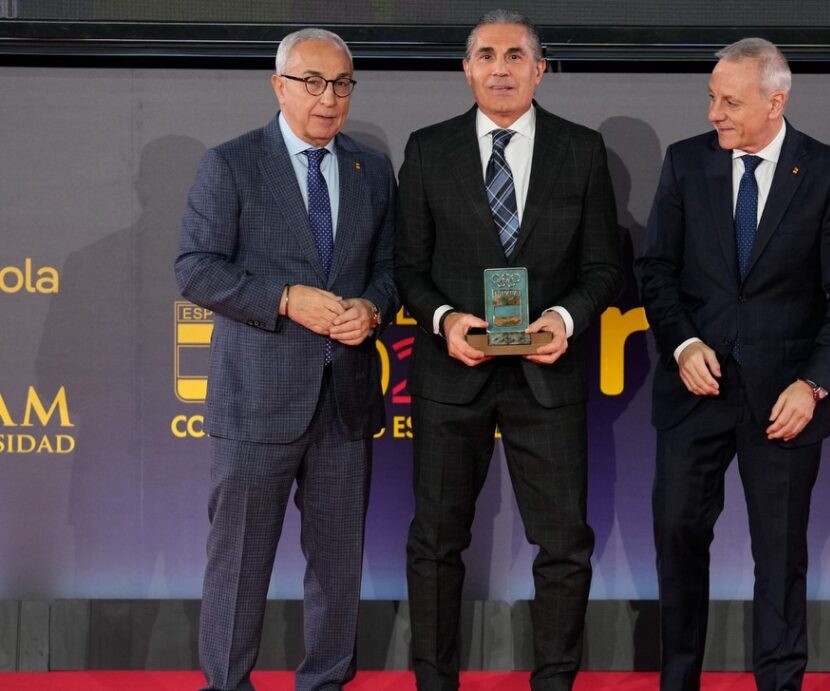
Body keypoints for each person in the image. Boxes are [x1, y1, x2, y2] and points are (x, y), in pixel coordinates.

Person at [395, 9, 622, 691]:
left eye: (515, 55)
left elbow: (603, 268)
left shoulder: (580, 150)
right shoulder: (428, 149)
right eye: (487, 56)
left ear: (540, 69)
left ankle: (554, 681)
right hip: (450, 374)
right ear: (466, 70)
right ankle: (435, 682)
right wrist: (444, 320)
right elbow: (408, 268)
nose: (501, 68)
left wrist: (563, 320)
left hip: (547, 377)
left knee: (563, 545)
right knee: (436, 543)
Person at [637, 38, 830, 691]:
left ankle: (779, 682)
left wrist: (815, 383)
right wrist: (683, 345)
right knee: (678, 541)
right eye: (712, 98)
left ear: (776, 101)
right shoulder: (686, 163)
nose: (714, 113)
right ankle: (678, 681)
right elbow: (656, 272)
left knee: (780, 556)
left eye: (731, 102)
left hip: (783, 401)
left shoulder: (828, 173)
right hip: (695, 393)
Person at [175, 28, 398, 691]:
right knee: (239, 561)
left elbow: (392, 269)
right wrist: (284, 298)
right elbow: (195, 268)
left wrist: (373, 308)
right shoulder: (232, 164)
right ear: (279, 86)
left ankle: (325, 680)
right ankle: (226, 683)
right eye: (312, 82)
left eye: (342, 84)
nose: (328, 98)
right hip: (256, 399)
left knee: (338, 564)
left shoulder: (371, 170)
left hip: (345, 399)